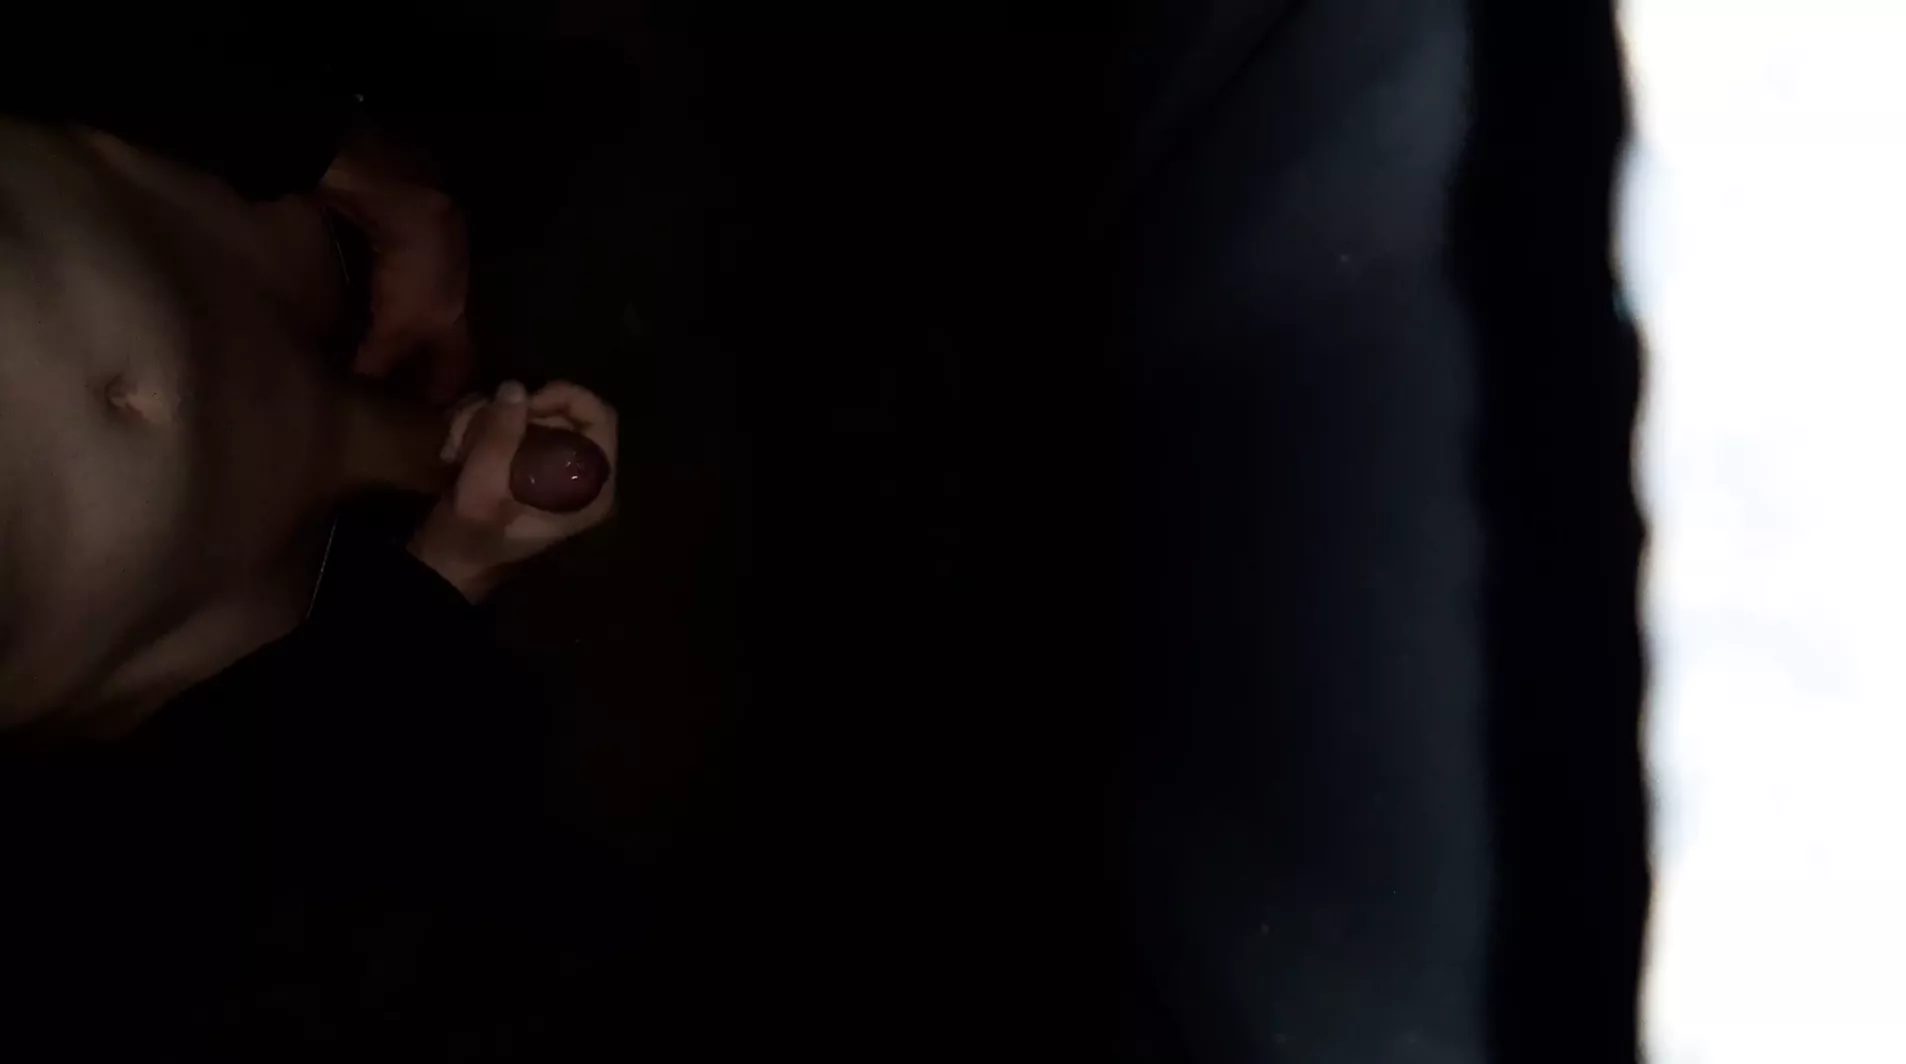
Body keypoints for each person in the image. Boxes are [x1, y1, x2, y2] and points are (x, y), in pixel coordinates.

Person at [0, 103, 632, 1053]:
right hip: (282, 636)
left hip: (304, 206)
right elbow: (101, 928)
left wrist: (340, 155)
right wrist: (438, 586)